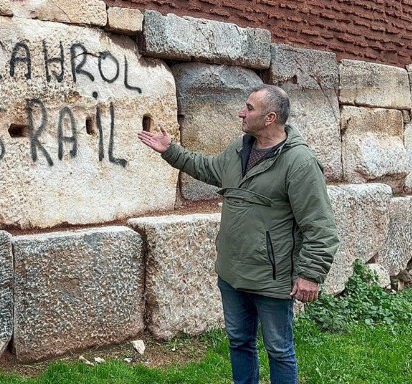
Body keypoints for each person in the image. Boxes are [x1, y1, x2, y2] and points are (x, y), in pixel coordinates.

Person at [138, 84, 339, 384]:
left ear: (270, 118)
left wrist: (310, 274)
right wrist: (172, 152)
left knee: (279, 350)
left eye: (249, 108)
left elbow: (320, 225)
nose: (241, 113)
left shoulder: (299, 162)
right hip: (232, 273)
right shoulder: (239, 149)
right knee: (239, 342)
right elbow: (209, 168)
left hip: (271, 278)